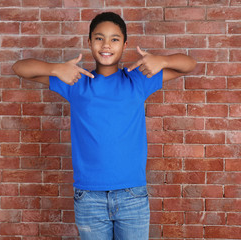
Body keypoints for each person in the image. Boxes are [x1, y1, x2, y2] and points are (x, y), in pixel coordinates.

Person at [13, 12, 196, 240]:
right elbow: (20, 68)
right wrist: (54, 68)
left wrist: (163, 60)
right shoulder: (76, 81)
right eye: (99, 38)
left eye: (114, 39)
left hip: (132, 196)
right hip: (89, 198)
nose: (106, 45)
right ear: (89, 42)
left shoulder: (137, 80)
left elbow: (189, 65)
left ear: (125, 44)